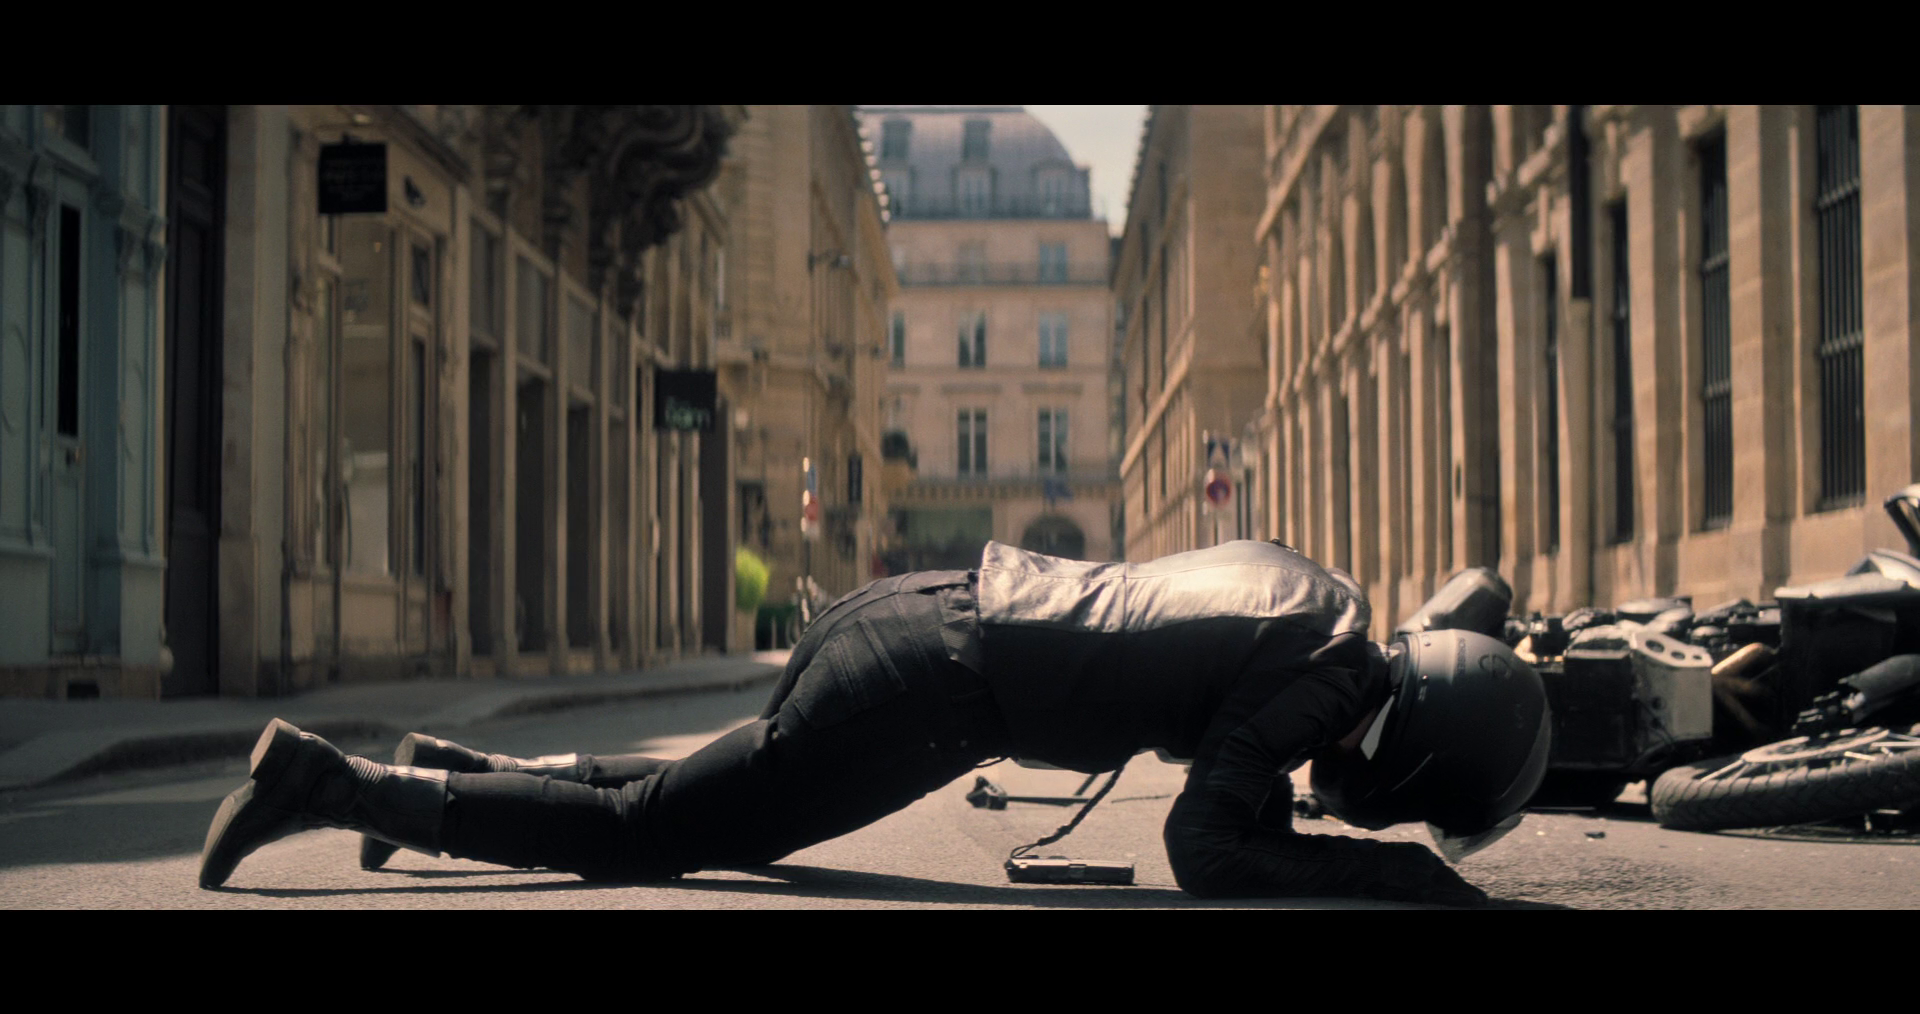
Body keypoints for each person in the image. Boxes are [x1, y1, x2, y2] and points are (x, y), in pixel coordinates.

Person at [199, 539, 1550, 906]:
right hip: (934, 689)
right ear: (1423, 755)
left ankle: (456, 772)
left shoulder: (1317, 601)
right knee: (656, 833)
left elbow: (1230, 776)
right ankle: (336, 785)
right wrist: (1390, 875)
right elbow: (1206, 848)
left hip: (920, 612)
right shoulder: (1330, 677)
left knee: (710, 793)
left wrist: (1317, 835)